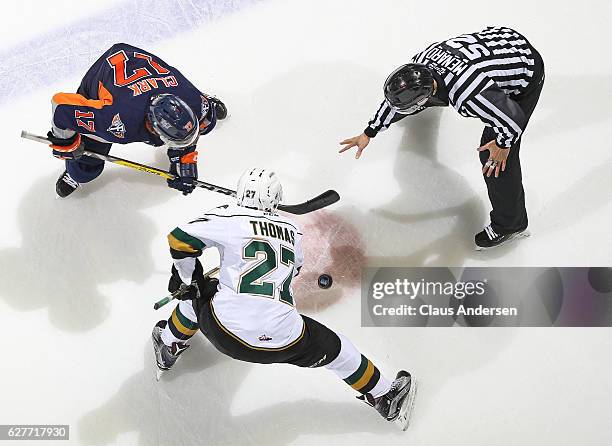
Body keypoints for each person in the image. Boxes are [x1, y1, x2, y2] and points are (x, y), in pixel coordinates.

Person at [151, 168, 417, 430]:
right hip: (285, 339)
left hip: (225, 332)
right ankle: (384, 396)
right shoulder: (292, 230)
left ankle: (168, 347)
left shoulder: (228, 214)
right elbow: (293, 270)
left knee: (194, 295)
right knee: (338, 350)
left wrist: (190, 278)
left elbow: (179, 240)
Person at [339, 26, 545, 249]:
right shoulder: (420, 63)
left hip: (525, 69)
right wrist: (370, 131)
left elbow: (512, 121)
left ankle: (511, 224)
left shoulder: (469, 94)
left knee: (493, 159)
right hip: (501, 41)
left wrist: (503, 145)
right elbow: (396, 103)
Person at [48, 43, 227, 197]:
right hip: (101, 77)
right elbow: (61, 106)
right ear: (152, 127)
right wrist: (67, 142)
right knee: (84, 169)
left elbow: (192, 125)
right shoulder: (116, 121)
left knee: (206, 122)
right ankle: (75, 174)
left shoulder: (196, 102)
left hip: (140, 66)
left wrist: (186, 158)